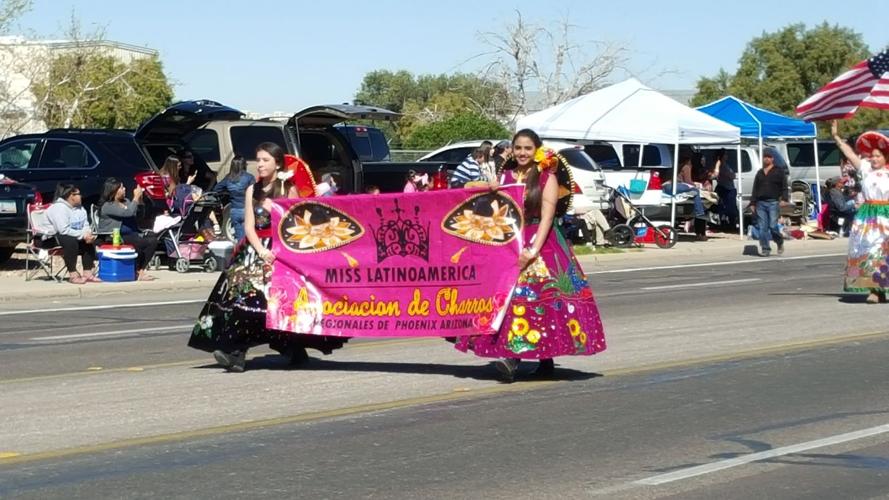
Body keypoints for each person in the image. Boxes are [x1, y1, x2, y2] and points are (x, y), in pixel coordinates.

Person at [455, 129, 606, 382]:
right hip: (510, 239)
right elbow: (484, 202)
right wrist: (490, 188)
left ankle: (530, 358)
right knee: (509, 299)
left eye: (527, 148)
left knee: (540, 300)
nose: (522, 153)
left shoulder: (547, 178)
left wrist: (533, 251)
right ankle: (515, 356)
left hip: (540, 241)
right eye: (518, 148)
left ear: (536, 150)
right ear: (511, 150)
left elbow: (547, 217)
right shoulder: (505, 176)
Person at [188, 142, 347, 372]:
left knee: (272, 304)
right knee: (239, 299)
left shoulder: (288, 189)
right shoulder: (252, 189)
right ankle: (236, 352)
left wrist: (276, 252)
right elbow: (249, 226)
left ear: (278, 164)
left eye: (265, 160)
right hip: (254, 251)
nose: (260, 164)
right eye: (258, 159)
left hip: (280, 253)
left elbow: (296, 226)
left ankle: (289, 348)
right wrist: (260, 251)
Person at [833, 120, 889, 304]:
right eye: (872, 156)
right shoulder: (865, 169)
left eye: (878, 156)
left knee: (885, 252)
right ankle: (875, 290)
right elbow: (850, 154)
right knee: (871, 251)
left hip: (886, 213)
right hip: (868, 216)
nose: (874, 159)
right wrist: (836, 137)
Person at [97, 178, 159, 281]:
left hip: (133, 233)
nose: (125, 189)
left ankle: (140, 270)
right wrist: (135, 198)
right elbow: (127, 213)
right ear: (114, 190)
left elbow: (138, 215)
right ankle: (137, 271)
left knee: (153, 239)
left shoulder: (126, 202)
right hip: (116, 236)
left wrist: (139, 201)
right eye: (121, 188)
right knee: (140, 244)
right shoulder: (108, 206)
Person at [39, 183, 99, 284]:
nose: (81, 196)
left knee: (88, 240)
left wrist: (87, 234)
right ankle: (73, 274)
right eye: (78, 194)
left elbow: (85, 224)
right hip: (49, 238)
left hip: (69, 236)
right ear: (71, 196)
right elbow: (63, 230)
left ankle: (88, 273)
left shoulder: (80, 208)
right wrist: (82, 235)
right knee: (70, 240)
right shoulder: (59, 208)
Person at [750, 147, 788, 257]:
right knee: (762, 228)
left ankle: (779, 241)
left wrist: (784, 199)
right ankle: (765, 248)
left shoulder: (779, 171)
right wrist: (753, 203)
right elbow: (755, 188)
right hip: (760, 203)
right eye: (764, 157)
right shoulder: (760, 173)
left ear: (772, 159)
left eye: (768, 157)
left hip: (773, 202)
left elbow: (784, 186)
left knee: (773, 226)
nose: (766, 159)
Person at [662, 157, 708, 240]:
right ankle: (699, 212)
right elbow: (688, 181)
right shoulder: (686, 167)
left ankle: (697, 213)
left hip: (666, 187)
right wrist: (696, 185)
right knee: (695, 191)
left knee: (693, 190)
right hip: (674, 186)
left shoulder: (674, 165)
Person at [211, 156, 255, 241]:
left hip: (234, 210)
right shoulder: (249, 177)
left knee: (240, 238)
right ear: (244, 165)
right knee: (251, 236)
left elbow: (216, 189)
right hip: (247, 210)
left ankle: (241, 251)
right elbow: (255, 191)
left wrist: (227, 192)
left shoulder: (228, 178)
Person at [712, 149, 738, 228]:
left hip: (728, 188)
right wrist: (732, 175)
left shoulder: (725, 164)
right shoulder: (721, 165)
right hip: (726, 188)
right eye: (725, 154)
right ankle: (728, 224)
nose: (727, 156)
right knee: (728, 208)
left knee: (728, 207)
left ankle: (730, 223)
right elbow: (731, 176)